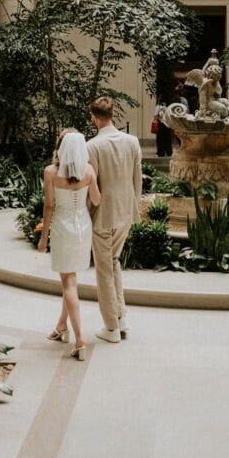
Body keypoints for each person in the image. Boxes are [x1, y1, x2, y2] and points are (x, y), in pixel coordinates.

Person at [37, 128, 100, 360]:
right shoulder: (89, 170)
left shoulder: (51, 172)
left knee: (69, 282)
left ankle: (80, 341)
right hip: (83, 227)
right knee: (70, 279)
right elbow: (96, 200)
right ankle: (61, 327)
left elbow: (49, 207)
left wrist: (43, 238)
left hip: (63, 228)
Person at [86, 96, 142, 343]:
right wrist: (134, 206)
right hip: (126, 213)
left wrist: (86, 214)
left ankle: (111, 328)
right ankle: (121, 318)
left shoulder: (93, 146)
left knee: (104, 270)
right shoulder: (132, 141)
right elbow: (137, 180)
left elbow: (92, 187)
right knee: (114, 262)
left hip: (104, 216)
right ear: (113, 115)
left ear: (94, 118)